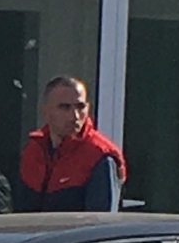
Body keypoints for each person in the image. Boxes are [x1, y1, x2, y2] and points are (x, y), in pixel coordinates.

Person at [16, 76, 125, 214]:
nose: (74, 116)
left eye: (80, 107)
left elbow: (101, 224)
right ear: (45, 112)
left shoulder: (100, 156)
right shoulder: (33, 150)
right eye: (64, 107)